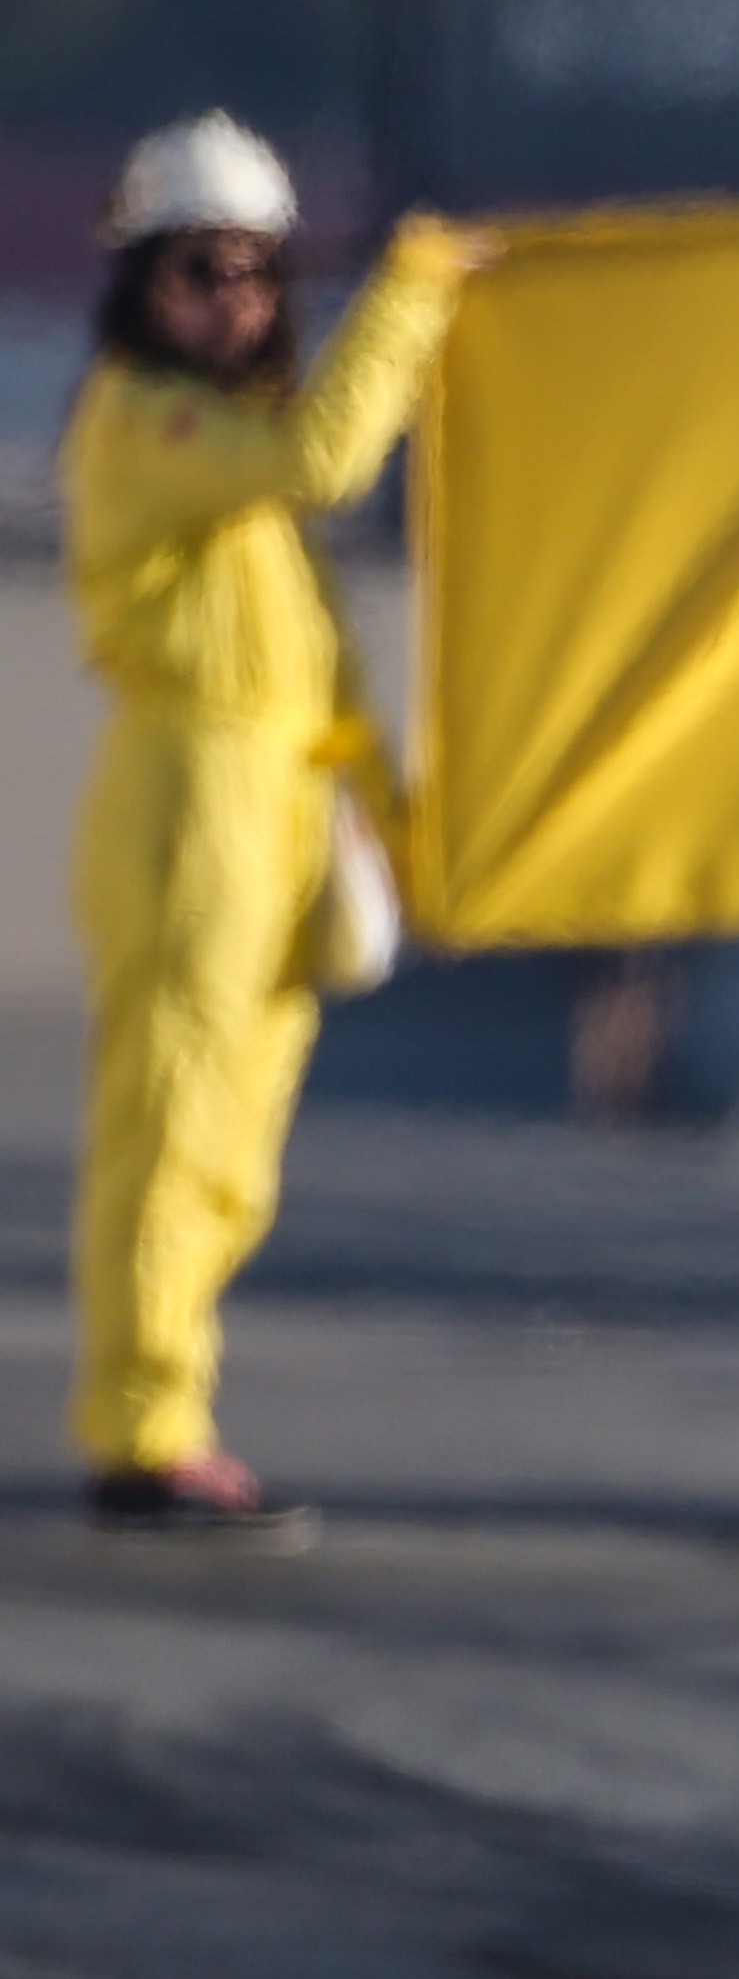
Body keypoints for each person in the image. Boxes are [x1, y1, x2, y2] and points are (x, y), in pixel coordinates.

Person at [57, 115, 481, 1536]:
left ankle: (169, 1413)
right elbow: (328, 461)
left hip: (274, 803)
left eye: (254, 272)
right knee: (173, 1131)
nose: (233, 299)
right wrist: (414, 291)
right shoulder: (145, 420)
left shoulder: (225, 452)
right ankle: (142, 1430)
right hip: (189, 802)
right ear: (139, 284)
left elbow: (320, 665)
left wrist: (393, 817)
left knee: (234, 1149)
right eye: (199, 269)